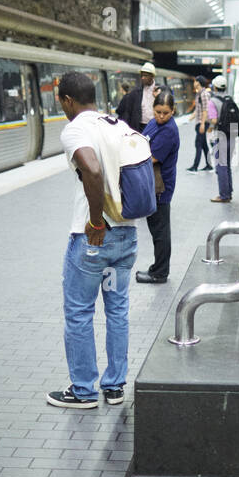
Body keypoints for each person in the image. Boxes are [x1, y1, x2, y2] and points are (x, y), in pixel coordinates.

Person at [48, 72, 138, 410]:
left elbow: (93, 170)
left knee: (80, 313)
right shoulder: (118, 124)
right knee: (117, 311)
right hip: (127, 236)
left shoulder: (76, 129)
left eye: (61, 103)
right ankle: (114, 387)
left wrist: (96, 221)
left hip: (93, 241)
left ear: (68, 101)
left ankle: (83, 390)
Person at [136, 90, 179, 284]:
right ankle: (157, 268)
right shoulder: (154, 123)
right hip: (152, 183)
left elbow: (151, 157)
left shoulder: (169, 130)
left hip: (161, 186)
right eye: (158, 112)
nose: (161, 116)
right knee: (156, 229)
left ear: (173, 111)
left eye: (166, 113)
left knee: (160, 230)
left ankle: (160, 272)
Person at [207, 74, 237, 203]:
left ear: (215, 87)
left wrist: (209, 128)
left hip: (220, 136)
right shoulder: (230, 100)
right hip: (232, 136)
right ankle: (228, 192)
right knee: (227, 165)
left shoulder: (212, 102)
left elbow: (213, 120)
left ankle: (224, 195)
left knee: (221, 165)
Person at [116, 62, 159, 130]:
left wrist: (158, 97)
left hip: (156, 126)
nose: (142, 78)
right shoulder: (135, 93)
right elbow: (128, 112)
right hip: (140, 127)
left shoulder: (160, 90)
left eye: (145, 76)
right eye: (141, 75)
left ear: (152, 76)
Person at [187, 75, 213, 172]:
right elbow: (198, 109)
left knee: (198, 143)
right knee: (203, 145)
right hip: (199, 122)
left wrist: (202, 124)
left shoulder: (204, 94)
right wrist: (190, 118)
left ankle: (195, 166)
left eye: (195, 81)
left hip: (203, 122)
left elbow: (206, 110)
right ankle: (209, 165)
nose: (194, 83)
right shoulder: (199, 94)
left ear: (198, 83)